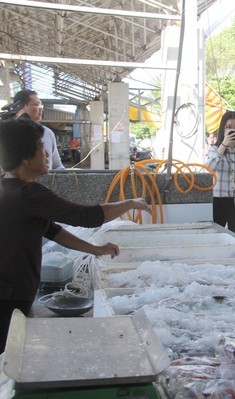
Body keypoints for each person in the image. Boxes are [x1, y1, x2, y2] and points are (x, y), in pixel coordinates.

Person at [0, 118, 152, 353]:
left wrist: (95, 249)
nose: (48, 153)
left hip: (11, 290)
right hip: (10, 295)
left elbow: (51, 230)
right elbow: (85, 216)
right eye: (42, 146)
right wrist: (131, 202)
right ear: (26, 158)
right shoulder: (28, 193)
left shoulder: (7, 186)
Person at [13, 90, 65, 170]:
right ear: (21, 107)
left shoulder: (47, 133)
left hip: (46, 182)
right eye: (36, 105)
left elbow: (57, 165)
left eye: (41, 105)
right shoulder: (8, 133)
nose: (41, 109)